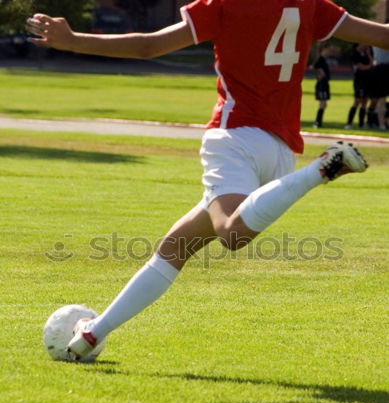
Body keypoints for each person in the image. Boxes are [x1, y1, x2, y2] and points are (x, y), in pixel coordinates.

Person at [26, 0, 389, 360]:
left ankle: (321, 169)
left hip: (234, 137)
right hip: (279, 151)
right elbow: (383, 36)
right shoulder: (312, 4)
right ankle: (91, 334)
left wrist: (73, 40)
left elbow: (150, 45)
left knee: (231, 233)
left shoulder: (224, 4)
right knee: (175, 248)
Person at [345, 43, 374, 129]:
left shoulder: (367, 53)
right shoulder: (355, 54)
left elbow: (372, 62)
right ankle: (349, 123)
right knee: (357, 101)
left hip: (367, 80)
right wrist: (369, 66)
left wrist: (369, 54)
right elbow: (361, 67)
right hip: (359, 81)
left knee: (365, 102)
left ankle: (361, 124)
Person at [313, 43, 332, 128]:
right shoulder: (320, 59)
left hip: (325, 84)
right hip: (321, 84)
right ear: (323, 49)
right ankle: (317, 122)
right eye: (328, 50)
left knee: (324, 104)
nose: (329, 52)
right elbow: (315, 67)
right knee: (322, 103)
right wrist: (319, 76)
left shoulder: (324, 59)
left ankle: (319, 122)